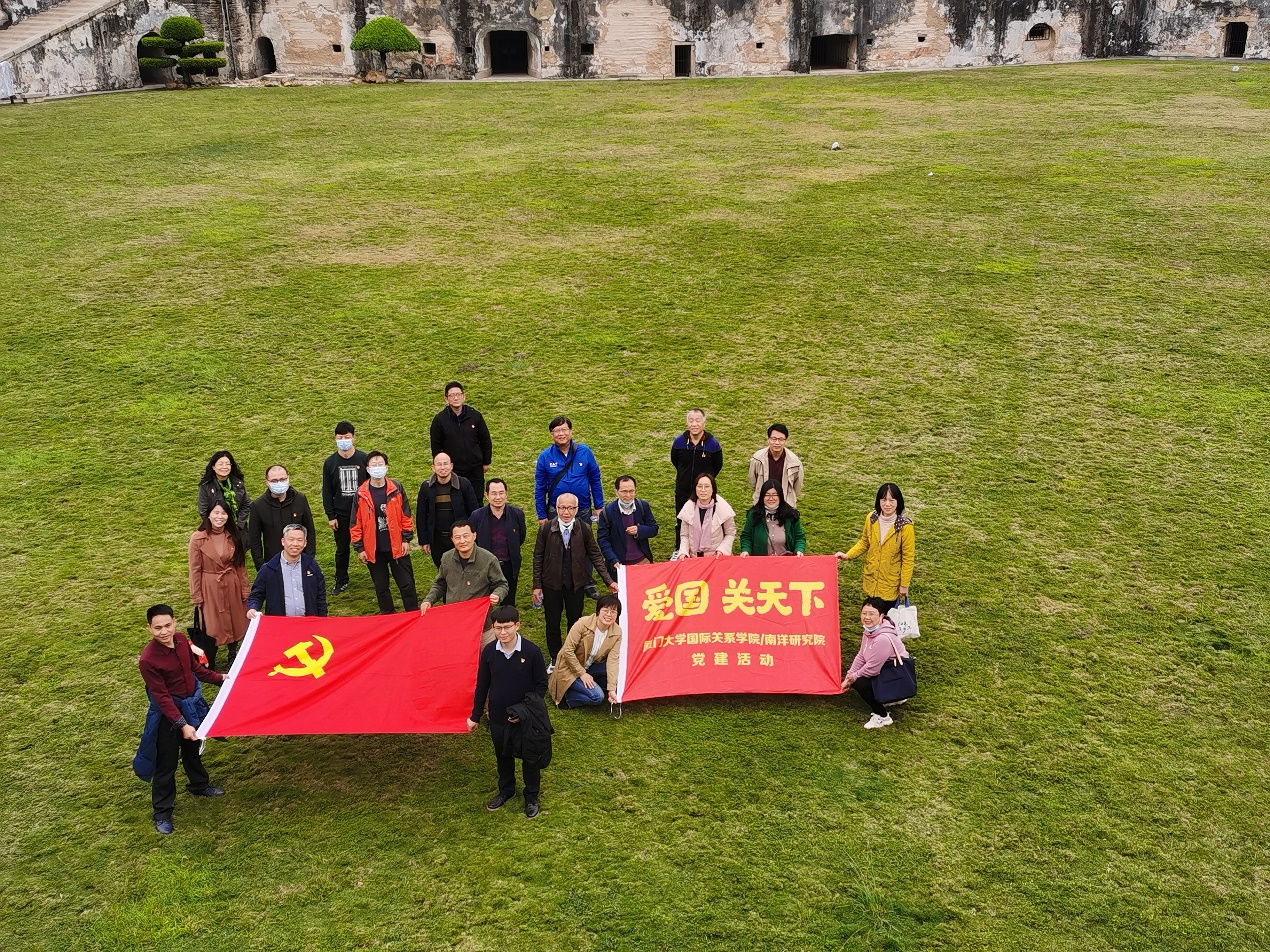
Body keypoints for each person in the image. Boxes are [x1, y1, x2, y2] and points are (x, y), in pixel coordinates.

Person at [138, 604, 225, 835]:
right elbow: (162, 698)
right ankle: (162, 812)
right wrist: (182, 725)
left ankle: (199, 785)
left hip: (190, 708)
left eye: (167, 625)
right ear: (149, 628)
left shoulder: (180, 640)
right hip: (167, 717)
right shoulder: (147, 660)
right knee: (166, 764)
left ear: (174, 622)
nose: (164, 631)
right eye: (158, 628)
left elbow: (195, 669)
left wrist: (221, 679)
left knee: (192, 751)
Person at [466, 605, 549, 818]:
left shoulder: (532, 652)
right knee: (502, 755)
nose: (503, 633)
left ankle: (531, 796)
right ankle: (506, 790)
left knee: (530, 757)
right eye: (498, 628)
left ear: (517, 625)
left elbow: (541, 685)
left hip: (525, 719)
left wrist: (524, 711)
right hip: (498, 716)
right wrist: (475, 715)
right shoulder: (489, 652)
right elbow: (482, 685)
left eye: (507, 627)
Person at [531, 492, 618, 668]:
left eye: (571, 508)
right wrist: (537, 585)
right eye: (562, 508)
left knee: (575, 622)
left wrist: (609, 581)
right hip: (551, 584)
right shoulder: (546, 529)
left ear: (577, 509)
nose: (566, 512)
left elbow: (595, 556)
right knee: (552, 623)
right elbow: (538, 557)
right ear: (556, 508)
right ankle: (555, 657)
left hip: (576, 585)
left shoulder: (584, 529)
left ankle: (572, 655)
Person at [349, 451, 418, 614]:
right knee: (381, 589)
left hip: (397, 547)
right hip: (374, 550)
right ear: (367, 469)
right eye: (374, 465)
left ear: (386, 467)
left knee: (407, 585)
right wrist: (359, 548)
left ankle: (413, 616)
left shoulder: (397, 488)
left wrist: (406, 539)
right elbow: (355, 523)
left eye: (380, 464)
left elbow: (406, 515)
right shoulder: (361, 493)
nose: (377, 467)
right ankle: (388, 618)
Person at [420, 520, 507, 644]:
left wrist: (497, 594)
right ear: (452, 539)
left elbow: (502, 584)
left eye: (466, 536)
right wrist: (428, 600)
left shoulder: (489, 559)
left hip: (482, 626)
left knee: (484, 655)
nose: (462, 541)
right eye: (457, 537)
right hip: (454, 624)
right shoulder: (446, 558)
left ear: (474, 536)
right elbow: (440, 583)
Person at [188, 503, 250, 671]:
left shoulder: (233, 535)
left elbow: (240, 565)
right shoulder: (197, 538)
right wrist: (196, 595)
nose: (220, 517)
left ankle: (232, 653)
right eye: (216, 513)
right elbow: (194, 569)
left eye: (224, 513)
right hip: (210, 587)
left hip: (231, 583)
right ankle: (209, 656)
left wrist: (245, 589)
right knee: (212, 622)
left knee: (235, 619)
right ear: (208, 515)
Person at [834, 482, 914, 613]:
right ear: (878, 501)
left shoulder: (906, 527)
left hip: (890, 582)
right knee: (872, 613)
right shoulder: (871, 518)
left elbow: (908, 558)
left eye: (891, 500)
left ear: (898, 502)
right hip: (872, 578)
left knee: (886, 617)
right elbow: (864, 542)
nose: (887, 504)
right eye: (884, 500)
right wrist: (848, 555)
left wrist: (904, 585)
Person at [841, 597, 909, 729]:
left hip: (897, 678)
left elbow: (872, 669)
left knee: (859, 682)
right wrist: (849, 675)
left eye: (871, 614)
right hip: (889, 673)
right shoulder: (869, 631)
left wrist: (852, 678)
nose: (867, 617)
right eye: (864, 613)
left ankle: (882, 716)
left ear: (881, 615)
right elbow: (861, 655)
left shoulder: (882, 638)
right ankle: (894, 698)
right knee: (855, 678)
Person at [547, 594, 622, 709]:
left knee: (617, 680)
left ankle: (583, 685)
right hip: (569, 667)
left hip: (590, 665)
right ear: (598, 611)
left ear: (617, 615)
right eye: (605, 610)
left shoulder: (617, 632)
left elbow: (613, 660)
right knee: (598, 697)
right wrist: (582, 674)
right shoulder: (583, 623)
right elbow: (567, 651)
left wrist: (611, 689)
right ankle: (566, 698)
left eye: (613, 611)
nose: (609, 614)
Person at [320, 421, 368, 597]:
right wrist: (331, 515)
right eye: (340, 438)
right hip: (341, 513)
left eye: (347, 437)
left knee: (370, 544)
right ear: (335, 439)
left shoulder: (364, 459)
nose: (344, 441)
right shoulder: (330, 462)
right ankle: (341, 579)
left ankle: (378, 575)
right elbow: (327, 491)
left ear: (353, 437)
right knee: (342, 549)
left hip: (363, 513)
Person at [533, 416, 604, 525]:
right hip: (556, 512)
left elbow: (595, 480)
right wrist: (542, 515)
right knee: (555, 537)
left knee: (583, 536)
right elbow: (540, 488)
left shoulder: (585, 452)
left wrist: (599, 506)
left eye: (564, 429)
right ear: (551, 434)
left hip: (582, 510)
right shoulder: (545, 456)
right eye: (556, 430)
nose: (561, 434)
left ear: (570, 431)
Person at [246, 524, 328, 618]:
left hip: (308, 622)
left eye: (299, 540)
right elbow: (256, 595)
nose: (295, 544)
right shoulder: (268, 569)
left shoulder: (312, 566)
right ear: (283, 541)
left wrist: (323, 620)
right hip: (280, 623)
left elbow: (321, 597)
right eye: (291, 539)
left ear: (305, 543)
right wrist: (252, 608)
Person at [469, 478, 527, 607]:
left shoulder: (517, 514)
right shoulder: (476, 516)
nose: (498, 497)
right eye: (494, 493)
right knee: (483, 603)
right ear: (486, 495)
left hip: (509, 566)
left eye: (501, 493)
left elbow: (520, 538)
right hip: (484, 567)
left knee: (508, 604)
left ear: (506, 494)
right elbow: (472, 541)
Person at [248, 464, 317, 570]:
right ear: (267, 482)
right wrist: (261, 566)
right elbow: (254, 540)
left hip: (299, 561)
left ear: (288, 479)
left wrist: (309, 559)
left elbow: (310, 531)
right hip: (273, 563)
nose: (279, 483)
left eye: (282, 479)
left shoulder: (300, 499)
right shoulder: (258, 506)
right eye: (274, 481)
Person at [417, 452, 479, 567]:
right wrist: (424, 540)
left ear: (451, 466)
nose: (442, 467)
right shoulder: (426, 487)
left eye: (445, 464)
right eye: (439, 464)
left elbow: (474, 511)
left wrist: (473, 534)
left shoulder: (463, 484)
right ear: (433, 467)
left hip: (460, 537)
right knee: (443, 569)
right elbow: (421, 515)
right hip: (437, 539)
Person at [429, 381, 493, 490]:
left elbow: (485, 440)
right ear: (446, 399)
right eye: (452, 395)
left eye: (458, 394)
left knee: (476, 499)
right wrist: (440, 466)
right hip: (453, 471)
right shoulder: (439, 420)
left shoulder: (475, 416)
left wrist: (486, 462)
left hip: (475, 469)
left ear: (464, 396)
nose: (456, 398)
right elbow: (436, 446)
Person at [597, 474, 658, 575]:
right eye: (624, 491)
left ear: (635, 490)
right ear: (616, 491)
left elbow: (654, 529)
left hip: (643, 561)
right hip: (619, 565)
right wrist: (612, 559)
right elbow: (603, 540)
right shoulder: (607, 512)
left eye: (631, 491)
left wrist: (639, 530)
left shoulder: (643, 506)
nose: (628, 495)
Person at [671, 408, 723, 515]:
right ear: (687, 423)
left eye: (698, 420)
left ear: (704, 423)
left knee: (704, 519)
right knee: (682, 519)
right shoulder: (678, 442)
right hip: (682, 491)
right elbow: (675, 461)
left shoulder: (713, 444)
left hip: (704, 492)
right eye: (691, 421)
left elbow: (717, 466)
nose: (694, 424)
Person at [675, 473, 737, 559]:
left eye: (707, 486)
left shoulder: (723, 508)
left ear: (713, 489)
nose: (703, 490)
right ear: (695, 489)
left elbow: (730, 533)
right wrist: (684, 552)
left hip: (716, 559)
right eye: (699, 486)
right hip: (694, 559)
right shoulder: (688, 508)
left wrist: (722, 550)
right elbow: (684, 535)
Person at [739, 479, 806, 557]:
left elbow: (799, 537)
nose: (771, 498)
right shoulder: (753, 515)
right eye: (767, 495)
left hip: (786, 561)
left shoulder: (791, 515)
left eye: (774, 495)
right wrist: (746, 550)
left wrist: (799, 550)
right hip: (761, 562)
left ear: (780, 496)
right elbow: (746, 536)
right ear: (762, 497)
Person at [197, 450, 250, 540]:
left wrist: (239, 524)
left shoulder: (238, 483)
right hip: (216, 530)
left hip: (238, 531)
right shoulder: (206, 486)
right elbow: (203, 510)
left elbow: (246, 505)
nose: (224, 467)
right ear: (213, 467)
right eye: (220, 464)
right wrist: (219, 526)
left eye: (227, 464)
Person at [748, 423, 804, 506]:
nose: (777, 442)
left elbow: (797, 486)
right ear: (768, 439)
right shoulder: (757, 459)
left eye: (781, 439)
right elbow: (753, 481)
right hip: (762, 503)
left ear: (786, 441)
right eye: (774, 439)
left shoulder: (795, 462)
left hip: (786, 504)